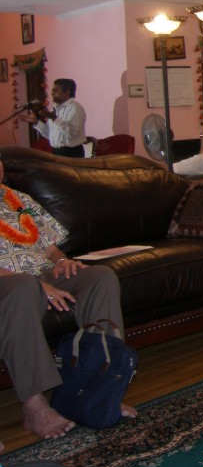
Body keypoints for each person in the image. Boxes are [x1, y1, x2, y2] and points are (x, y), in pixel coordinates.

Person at [0, 153, 137, 440]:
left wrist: (62, 262)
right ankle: (34, 406)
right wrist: (36, 284)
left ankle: (103, 390)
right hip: (9, 282)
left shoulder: (18, 199)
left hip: (42, 273)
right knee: (24, 288)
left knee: (100, 277)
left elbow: (50, 249)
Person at [23, 79, 86, 158]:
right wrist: (36, 122)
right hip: (56, 152)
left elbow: (72, 134)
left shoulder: (75, 108)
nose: (52, 93)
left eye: (56, 90)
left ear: (67, 92)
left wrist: (54, 118)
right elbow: (50, 133)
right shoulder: (56, 108)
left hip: (71, 153)